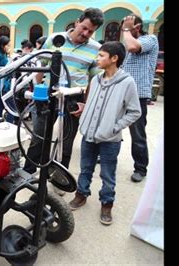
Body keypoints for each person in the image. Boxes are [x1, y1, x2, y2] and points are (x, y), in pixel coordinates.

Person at [23, 7, 104, 176]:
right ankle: (28, 172)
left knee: (66, 141)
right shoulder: (55, 39)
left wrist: (84, 104)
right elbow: (42, 67)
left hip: (73, 97)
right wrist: (38, 93)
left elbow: (94, 80)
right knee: (39, 135)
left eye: (91, 31)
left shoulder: (95, 48)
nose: (86, 33)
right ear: (77, 22)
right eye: (84, 28)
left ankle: (59, 177)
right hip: (48, 94)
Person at [68, 41, 141, 225]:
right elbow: (91, 101)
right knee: (85, 169)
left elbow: (135, 112)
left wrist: (115, 127)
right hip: (88, 135)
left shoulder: (127, 82)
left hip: (110, 140)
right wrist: (84, 113)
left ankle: (107, 203)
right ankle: (81, 194)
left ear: (114, 58)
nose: (97, 58)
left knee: (108, 174)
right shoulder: (95, 79)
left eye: (101, 55)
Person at [121, 14, 159, 183]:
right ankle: (106, 155)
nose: (125, 30)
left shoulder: (150, 39)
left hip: (138, 95)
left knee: (137, 133)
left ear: (137, 27)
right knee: (111, 127)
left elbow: (132, 47)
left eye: (128, 26)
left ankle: (140, 168)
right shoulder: (129, 41)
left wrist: (127, 30)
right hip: (121, 92)